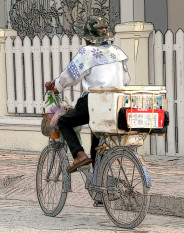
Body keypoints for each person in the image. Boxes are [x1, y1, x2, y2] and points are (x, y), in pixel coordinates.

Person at [45, 15, 131, 173]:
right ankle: (100, 188)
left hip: (95, 103)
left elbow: (69, 76)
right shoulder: (117, 52)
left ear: (88, 38)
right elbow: (126, 80)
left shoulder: (88, 52)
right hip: (117, 104)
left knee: (64, 122)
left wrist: (56, 86)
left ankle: (79, 155)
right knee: (97, 142)